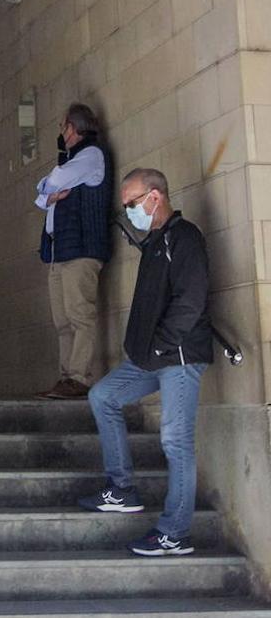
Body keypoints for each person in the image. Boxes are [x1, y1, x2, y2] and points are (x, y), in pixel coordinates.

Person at [78, 168, 212, 557]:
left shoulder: (184, 238)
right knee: (103, 396)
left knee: (175, 440)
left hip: (179, 357)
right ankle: (121, 489)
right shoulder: (157, 241)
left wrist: (162, 346)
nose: (129, 210)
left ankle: (175, 533)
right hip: (152, 356)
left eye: (132, 203)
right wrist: (144, 350)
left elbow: (191, 301)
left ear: (155, 196)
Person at [35, 103, 112, 399]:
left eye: (63, 126)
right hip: (61, 249)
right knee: (62, 320)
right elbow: (42, 199)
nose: (61, 133)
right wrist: (48, 194)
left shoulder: (91, 155)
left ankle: (79, 376)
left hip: (81, 247)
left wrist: (49, 190)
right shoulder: (74, 160)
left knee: (79, 314)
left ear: (74, 127)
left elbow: (51, 183)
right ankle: (66, 376)